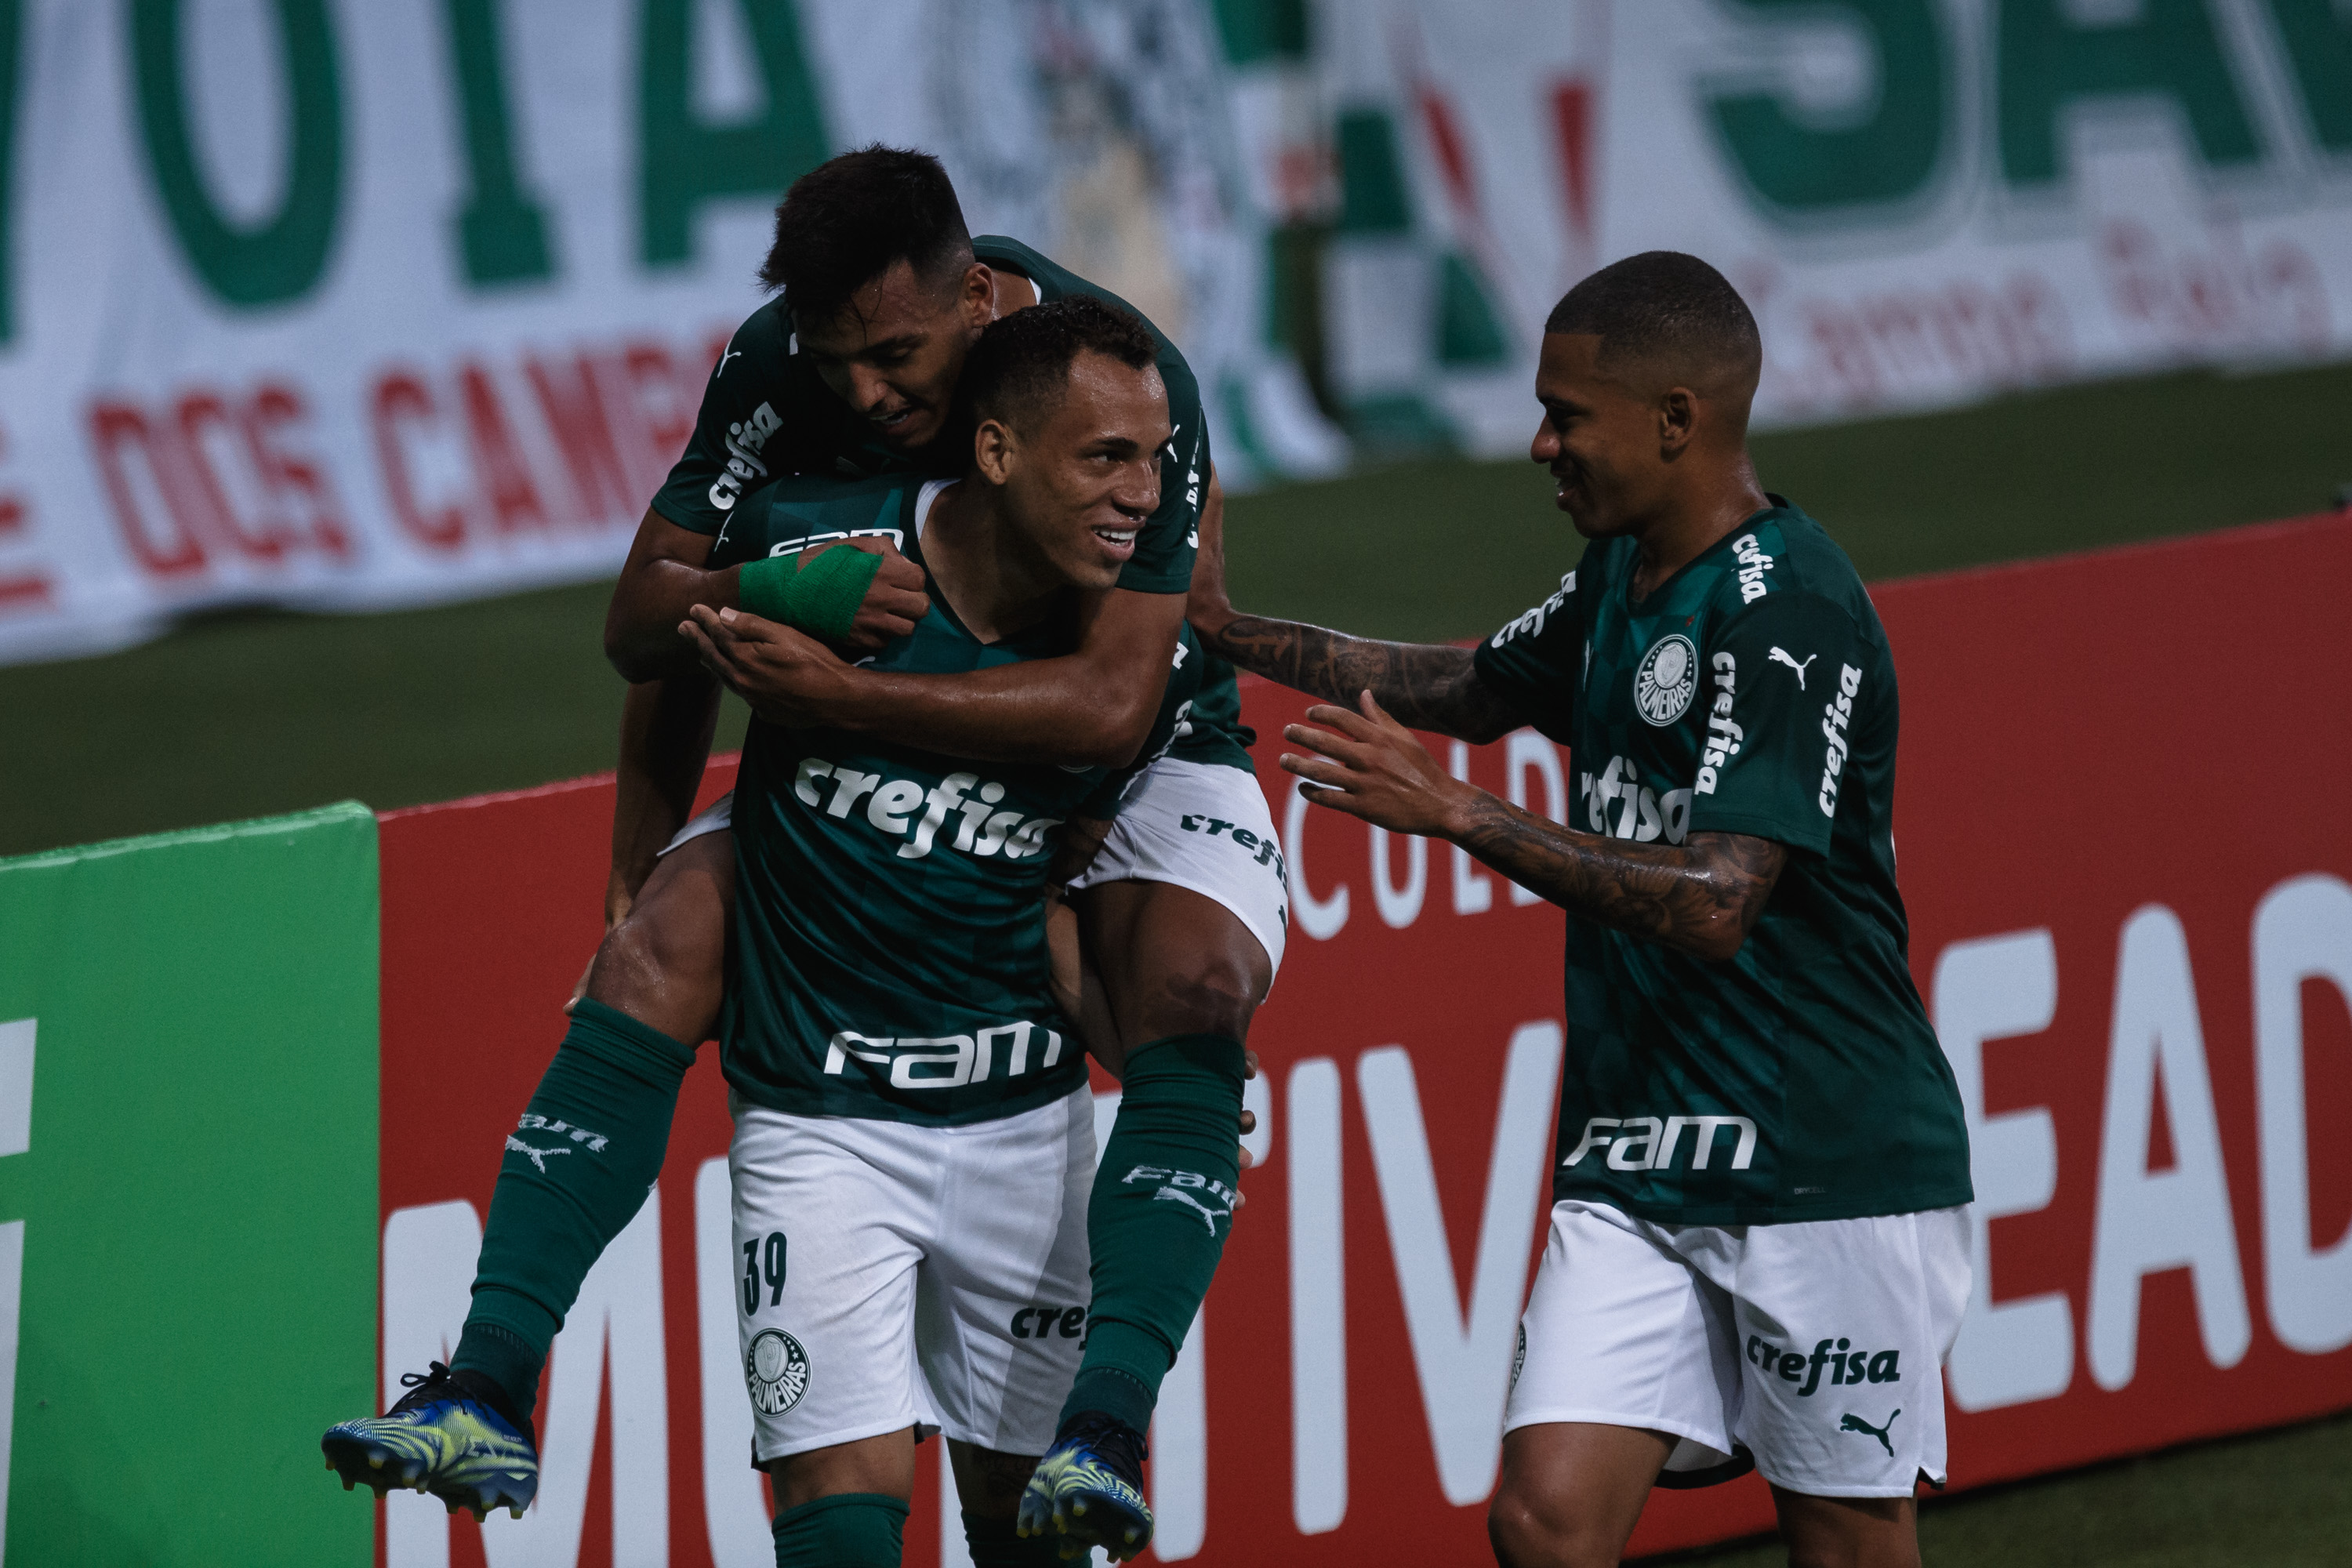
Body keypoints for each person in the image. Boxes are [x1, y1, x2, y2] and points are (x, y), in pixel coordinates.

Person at [324, 149, 1272, 1562]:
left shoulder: (1112, 384)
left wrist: (854, 703)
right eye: (837, 361)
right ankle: (485, 1388)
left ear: (976, 298)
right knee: (660, 947)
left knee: (1190, 987)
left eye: (896, 356)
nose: (866, 395)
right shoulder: (778, 369)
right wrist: (652, 820)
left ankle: (1108, 1421)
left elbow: (1113, 700)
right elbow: (651, 623)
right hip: (897, 740)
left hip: (1123, 750)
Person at [1185, 252, 1973, 1568]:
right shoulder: (1623, 573)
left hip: (1825, 1160)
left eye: (1569, 414)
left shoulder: (1791, 612)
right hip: (1642, 1157)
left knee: (1845, 1542)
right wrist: (1226, 630)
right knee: (1546, 1522)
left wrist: (1463, 816)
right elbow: (1469, 685)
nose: (1540, 443)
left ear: (1678, 420)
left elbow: (1722, 900)